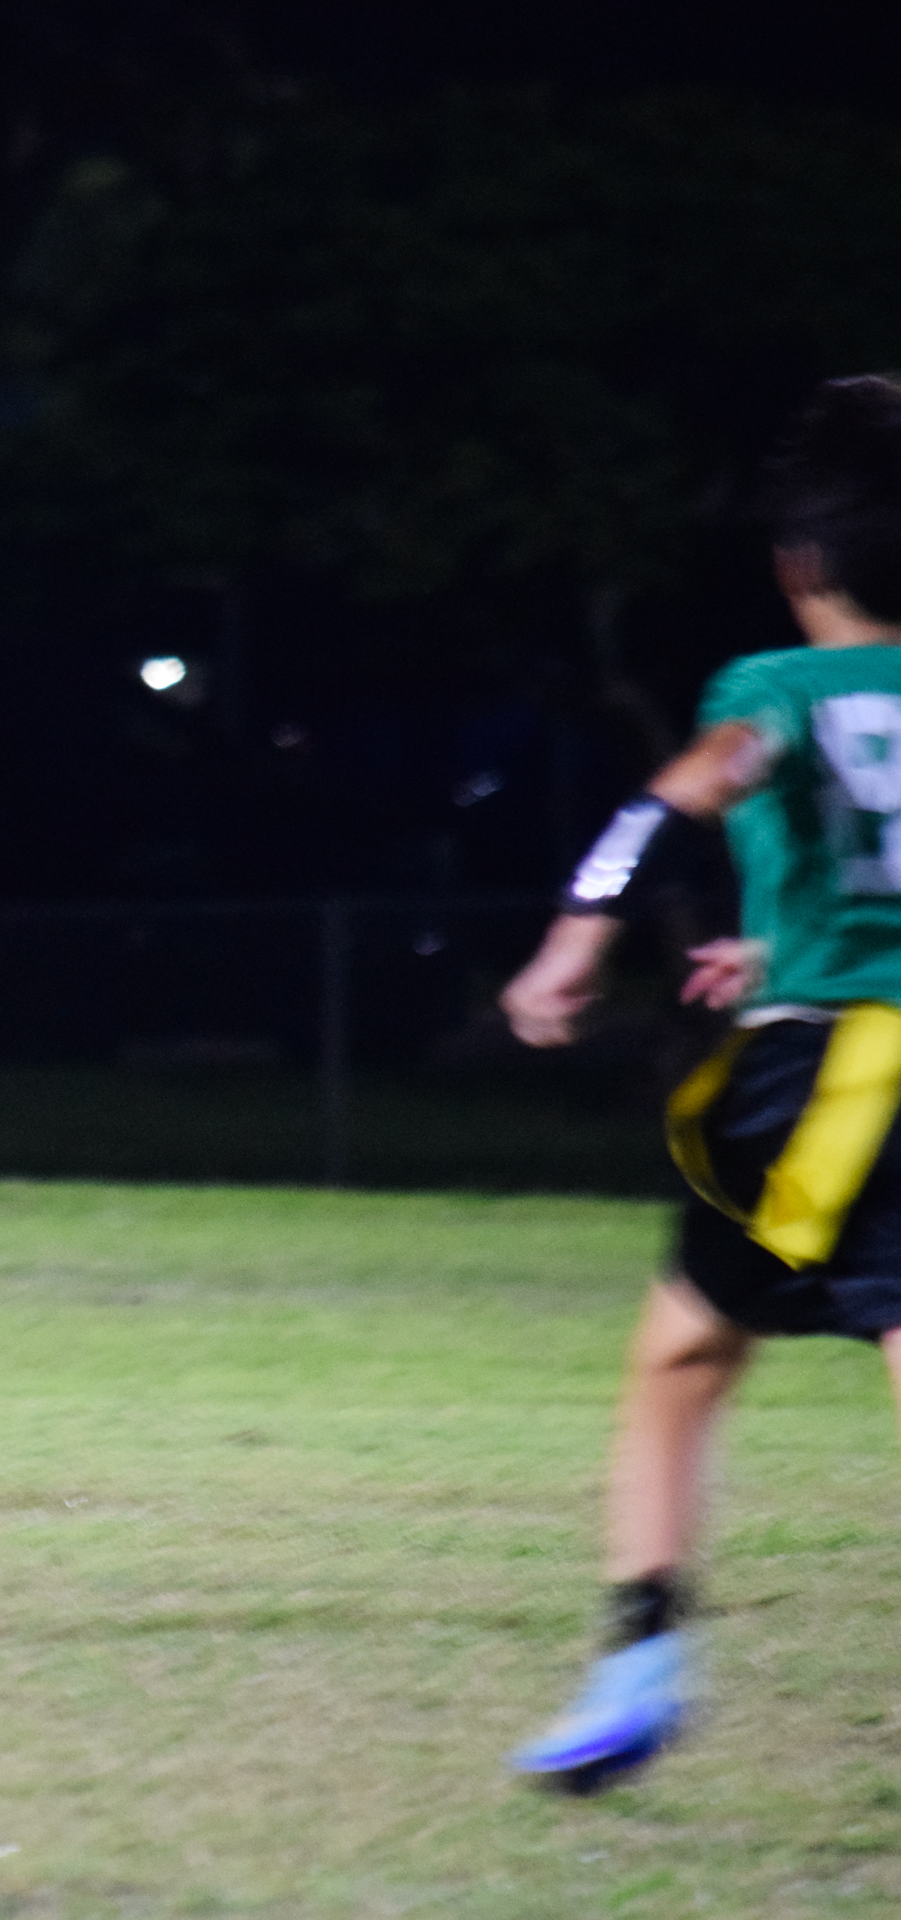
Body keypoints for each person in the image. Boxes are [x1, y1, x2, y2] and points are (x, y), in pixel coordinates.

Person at [499, 374, 901, 1792]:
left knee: (692, 1361)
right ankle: (635, 1674)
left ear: (798, 566)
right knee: (689, 1342)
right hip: (854, 1044)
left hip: (843, 1073)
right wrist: (777, 943)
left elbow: (682, 793)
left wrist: (575, 935)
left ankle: (643, 1663)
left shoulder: (776, 690)